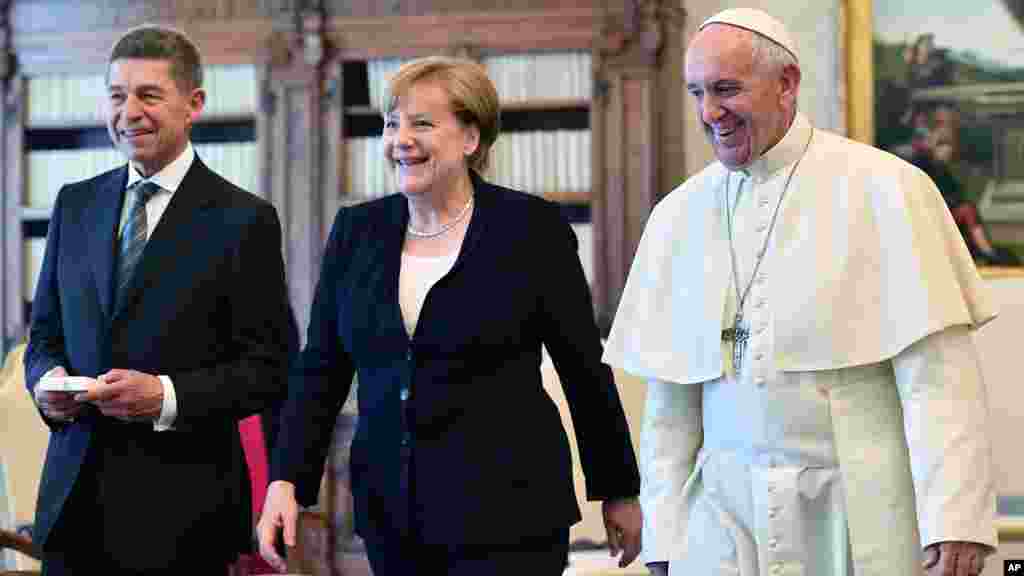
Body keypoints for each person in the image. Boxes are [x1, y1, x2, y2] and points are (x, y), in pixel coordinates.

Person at [603, 8, 997, 576]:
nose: (708, 112)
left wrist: (955, 519)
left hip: (857, 510)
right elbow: (670, 410)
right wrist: (665, 538)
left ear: (786, 83)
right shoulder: (676, 216)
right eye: (697, 93)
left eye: (726, 89)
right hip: (724, 516)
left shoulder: (887, 188)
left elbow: (938, 382)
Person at [257, 56, 642, 574]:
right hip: (393, 515)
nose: (400, 140)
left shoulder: (531, 229)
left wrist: (618, 489)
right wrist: (286, 480)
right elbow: (321, 370)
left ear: (471, 139)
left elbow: (583, 369)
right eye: (391, 124)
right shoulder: (355, 232)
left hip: (510, 517)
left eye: (421, 123)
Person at [24, 25, 292, 575]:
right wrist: (46, 383)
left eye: (148, 95)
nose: (129, 113)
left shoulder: (244, 219)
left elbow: (270, 370)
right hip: (72, 511)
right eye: (117, 96)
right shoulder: (74, 205)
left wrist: (165, 396)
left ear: (194, 104)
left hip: (183, 518)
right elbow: (44, 336)